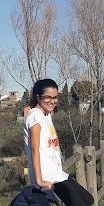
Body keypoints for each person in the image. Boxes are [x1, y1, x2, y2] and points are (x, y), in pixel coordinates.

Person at [24, 78, 94, 206]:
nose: (52, 101)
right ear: (38, 97)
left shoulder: (46, 114)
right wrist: (39, 180)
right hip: (46, 174)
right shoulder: (35, 116)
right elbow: (34, 149)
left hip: (56, 172)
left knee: (88, 199)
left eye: (55, 97)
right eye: (48, 97)